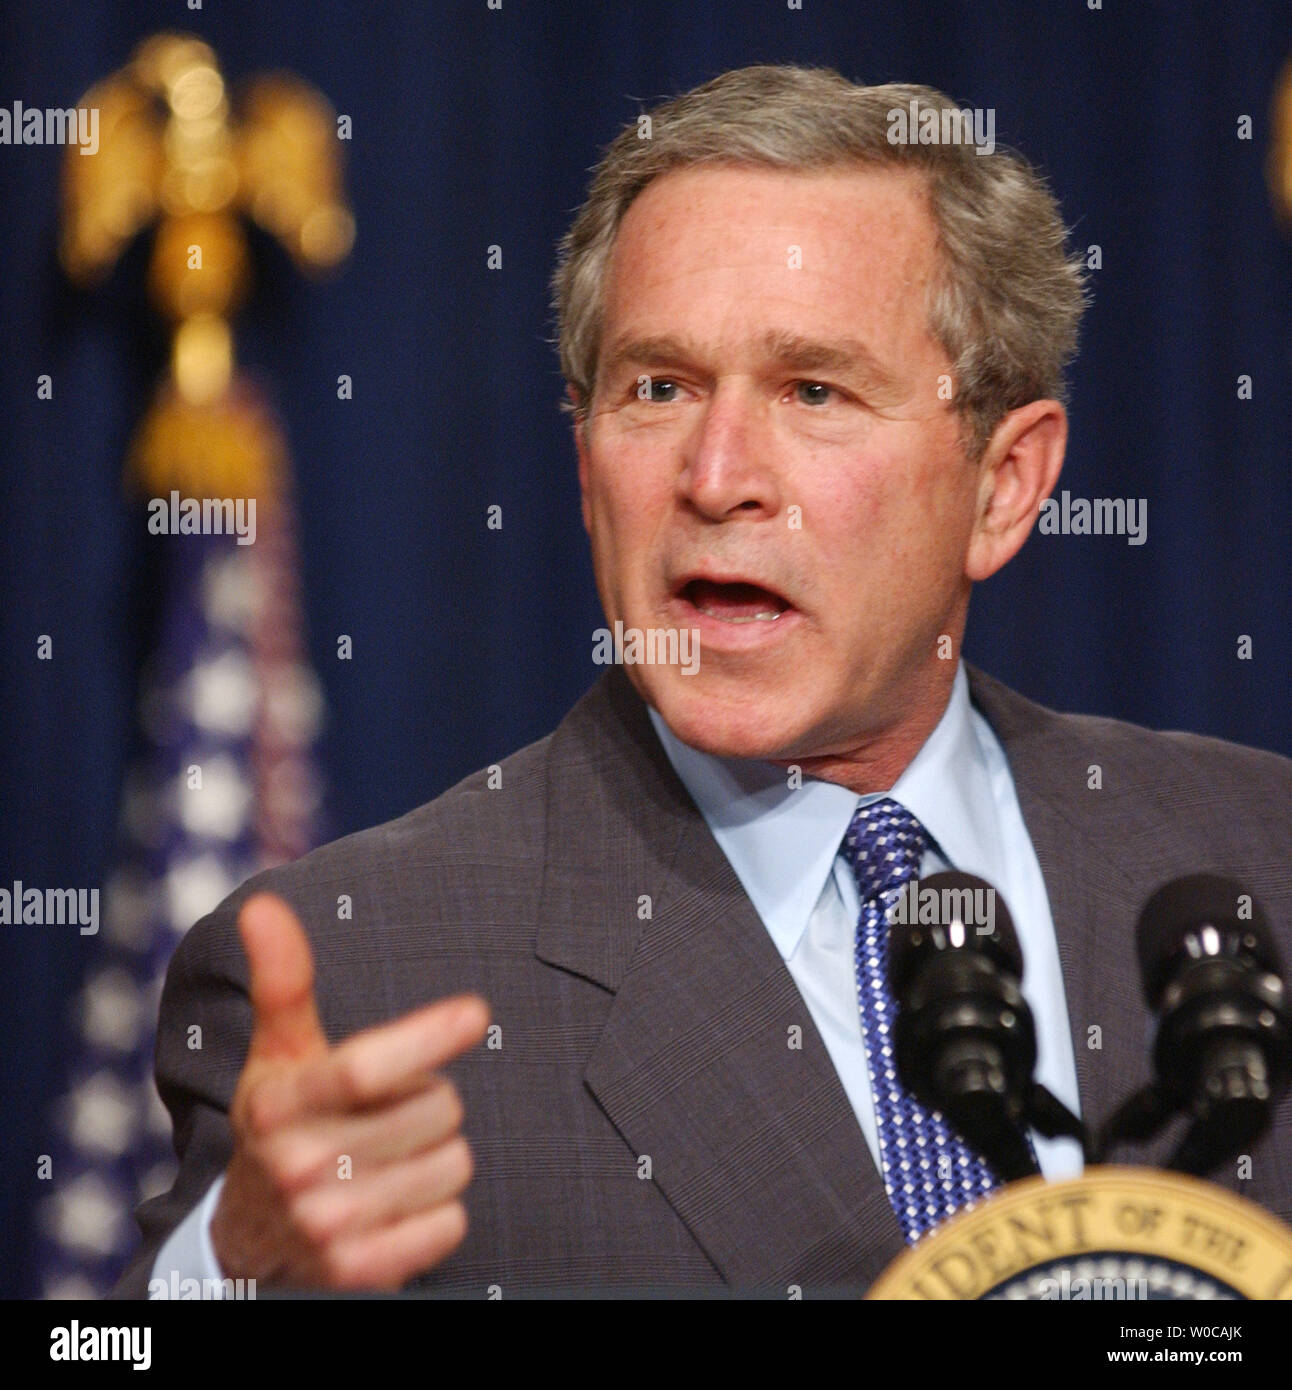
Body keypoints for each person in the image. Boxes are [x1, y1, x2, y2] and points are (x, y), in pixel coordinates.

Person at [112, 64, 1292, 1299]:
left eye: (812, 391)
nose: (716, 472)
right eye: (657, 387)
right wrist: (230, 1267)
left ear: (1001, 485)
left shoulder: (1258, 853)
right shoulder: (371, 976)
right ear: (582, 466)